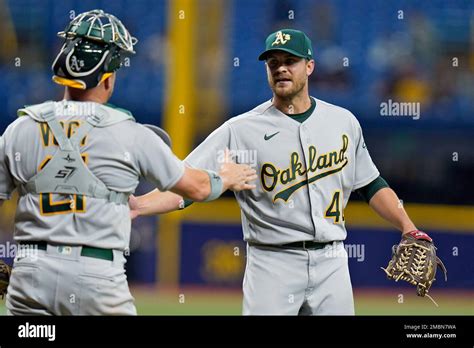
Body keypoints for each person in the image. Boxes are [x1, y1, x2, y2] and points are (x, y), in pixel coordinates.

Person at [130, 29, 424, 315]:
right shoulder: (241, 130)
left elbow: (371, 184)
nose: (281, 68)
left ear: (309, 66)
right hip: (271, 262)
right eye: (274, 63)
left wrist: (407, 226)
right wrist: (139, 205)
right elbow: (188, 183)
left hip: (332, 259)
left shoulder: (343, 122)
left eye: (290, 61)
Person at [0, 9, 256, 316]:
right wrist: (225, 177)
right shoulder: (129, 133)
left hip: (30, 274)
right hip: (94, 276)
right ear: (107, 79)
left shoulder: (20, 128)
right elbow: (198, 188)